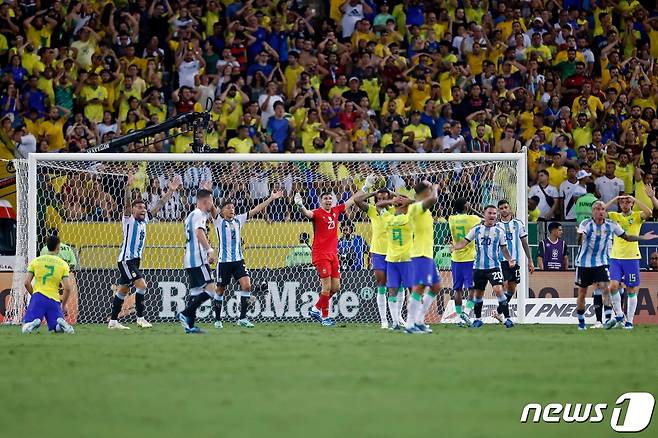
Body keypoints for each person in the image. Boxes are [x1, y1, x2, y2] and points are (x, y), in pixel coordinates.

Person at [109, 171, 181, 330]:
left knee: (123, 290)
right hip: (126, 260)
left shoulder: (145, 220)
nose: (143, 210)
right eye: (139, 207)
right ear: (133, 210)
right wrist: (128, 187)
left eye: (144, 207)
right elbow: (127, 204)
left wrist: (171, 190)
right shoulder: (128, 219)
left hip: (135, 260)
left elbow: (160, 204)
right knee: (142, 285)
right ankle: (140, 318)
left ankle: (113, 321)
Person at [574, 201, 656, 330]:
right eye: (596, 209)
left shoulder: (612, 224)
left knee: (607, 288)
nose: (600, 211)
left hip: (603, 262)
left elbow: (627, 237)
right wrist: (579, 236)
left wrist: (643, 238)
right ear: (592, 211)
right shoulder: (586, 224)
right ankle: (581, 322)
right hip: (584, 263)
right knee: (583, 293)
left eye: (602, 209)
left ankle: (614, 319)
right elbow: (579, 241)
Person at [210, 189, 283, 329]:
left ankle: (242, 318)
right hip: (224, 262)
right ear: (222, 211)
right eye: (228, 207)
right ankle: (218, 319)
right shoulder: (218, 221)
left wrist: (271, 198)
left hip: (238, 260)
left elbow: (257, 209)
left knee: (247, 286)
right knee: (220, 290)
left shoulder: (239, 220)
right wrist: (207, 191)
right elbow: (212, 207)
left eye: (233, 207)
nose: (232, 209)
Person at [294, 183, 362, 327]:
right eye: (325, 198)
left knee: (335, 288)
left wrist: (366, 187)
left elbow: (351, 200)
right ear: (321, 201)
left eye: (330, 198)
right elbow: (307, 214)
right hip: (321, 255)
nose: (328, 201)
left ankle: (315, 308)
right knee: (326, 287)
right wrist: (300, 205)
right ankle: (325, 318)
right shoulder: (317, 213)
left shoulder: (336, 210)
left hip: (333, 254)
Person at [451, 205, 516, 328]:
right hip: (478, 268)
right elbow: (465, 242)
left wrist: (509, 259)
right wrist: (455, 247)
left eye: (494, 213)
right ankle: (478, 319)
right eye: (490, 213)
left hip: (494, 267)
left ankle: (508, 319)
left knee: (498, 290)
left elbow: (504, 248)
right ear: (484, 214)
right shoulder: (476, 230)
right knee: (478, 294)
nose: (492, 216)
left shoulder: (499, 231)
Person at [605, 194, 654, 329]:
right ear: (620, 204)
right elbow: (601, 210)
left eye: (627, 202)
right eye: (622, 202)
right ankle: (620, 314)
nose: (625, 204)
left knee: (631, 288)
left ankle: (630, 321)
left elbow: (649, 212)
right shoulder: (615, 216)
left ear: (631, 204)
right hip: (615, 257)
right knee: (613, 286)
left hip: (631, 257)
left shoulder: (637, 216)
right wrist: (615, 199)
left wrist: (636, 199)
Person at [177, 189, 218, 334]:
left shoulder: (190, 216)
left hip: (189, 259)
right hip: (198, 259)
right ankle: (185, 313)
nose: (212, 204)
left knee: (195, 293)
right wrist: (209, 250)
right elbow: (199, 233)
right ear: (205, 201)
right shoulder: (199, 214)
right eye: (211, 201)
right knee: (213, 290)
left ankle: (190, 326)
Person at [353, 187, 394, 329]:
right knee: (381, 283)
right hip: (377, 252)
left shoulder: (395, 210)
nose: (382, 200)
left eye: (385, 198)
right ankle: (384, 320)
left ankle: (397, 317)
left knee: (396, 285)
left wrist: (393, 194)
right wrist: (373, 193)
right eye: (380, 198)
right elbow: (357, 200)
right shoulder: (372, 210)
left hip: (394, 252)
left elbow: (408, 201)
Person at [405, 181, 440, 334]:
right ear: (424, 193)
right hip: (419, 254)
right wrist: (435, 188)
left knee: (435, 287)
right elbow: (433, 199)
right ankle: (410, 324)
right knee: (419, 287)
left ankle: (419, 320)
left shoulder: (424, 210)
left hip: (428, 254)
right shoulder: (415, 208)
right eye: (428, 191)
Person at [21, 235, 75, 334]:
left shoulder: (36, 261)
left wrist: (34, 295)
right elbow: (67, 288)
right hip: (54, 300)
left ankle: (33, 323)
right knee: (56, 329)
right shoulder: (63, 264)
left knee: (25, 327)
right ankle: (61, 325)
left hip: (38, 297)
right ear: (58, 248)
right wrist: (63, 305)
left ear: (47, 246)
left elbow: (26, 283)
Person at [493, 200, 535, 323]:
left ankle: (499, 312)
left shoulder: (518, 224)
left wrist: (530, 260)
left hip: (515, 261)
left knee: (512, 289)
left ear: (510, 208)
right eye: (501, 208)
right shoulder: (495, 225)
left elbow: (525, 243)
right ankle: (506, 317)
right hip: (501, 260)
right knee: (504, 286)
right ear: (499, 211)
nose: (504, 210)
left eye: (506, 207)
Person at [377, 194, 413, 332]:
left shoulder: (388, 218)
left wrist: (391, 201)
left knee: (392, 291)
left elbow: (378, 205)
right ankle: (413, 321)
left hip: (392, 260)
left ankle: (396, 323)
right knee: (412, 291)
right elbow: (422, 204)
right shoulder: (409, 219)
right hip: (406, 260)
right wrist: (408, 200)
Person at [447, 197, 481, 326]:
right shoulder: (472, 219)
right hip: (470, 258)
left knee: (457, 290)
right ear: (466, 206)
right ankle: (466, 313)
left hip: (455, 258)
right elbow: (485, 219)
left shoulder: (451, 219)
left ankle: (459, 316)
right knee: (472, 288)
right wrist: (472, 209)